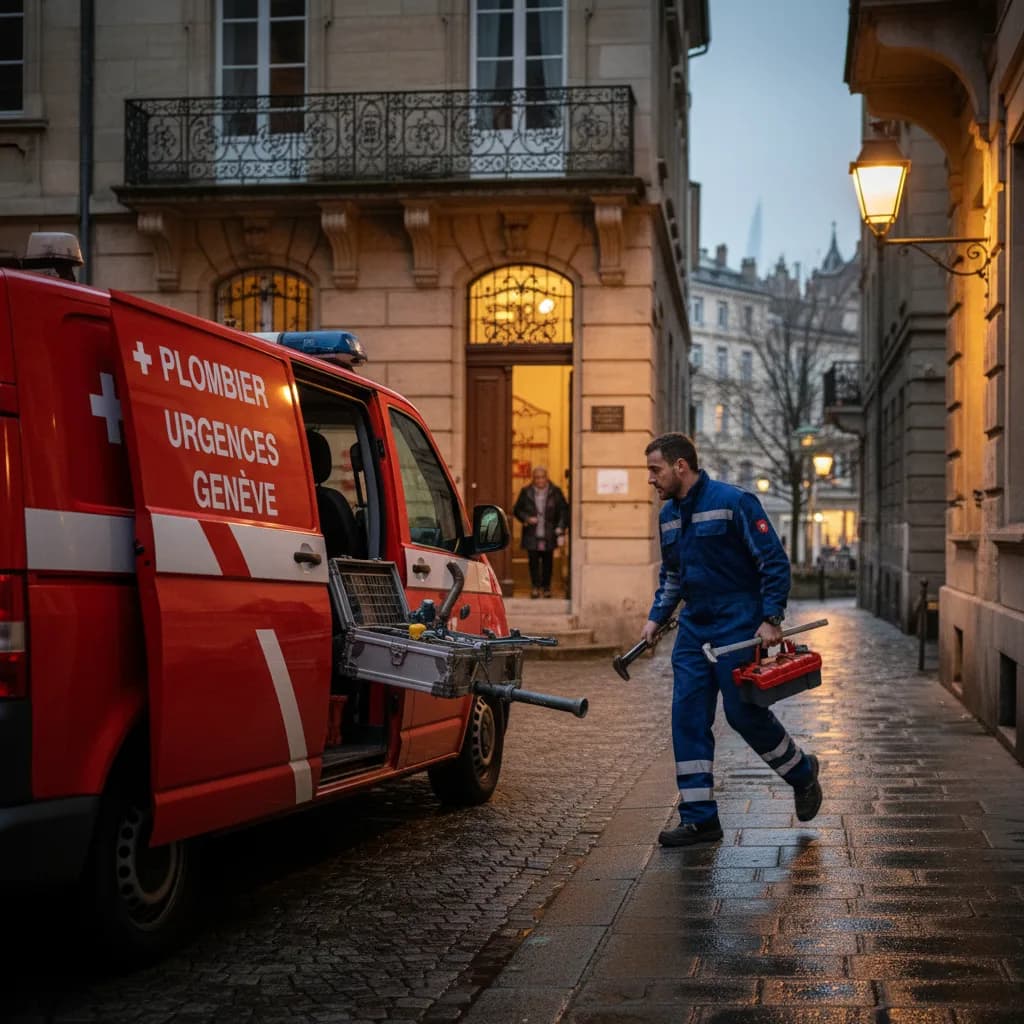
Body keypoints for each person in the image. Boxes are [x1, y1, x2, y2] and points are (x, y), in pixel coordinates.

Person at [641, 432, 822, 847]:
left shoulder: (734, 502)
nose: (651, 479)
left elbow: (773, 560)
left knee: (744, 715)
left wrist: (771, 617)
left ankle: (803, 774)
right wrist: (655, 619)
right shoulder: (668, 516)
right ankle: (700, 819)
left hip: (738, 624)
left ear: (680, 466)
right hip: (694, 628)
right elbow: (671, 576)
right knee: (686, 718)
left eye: (655, 469)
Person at [513, 466, 569, 598]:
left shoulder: (555, 492)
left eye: (542, 477)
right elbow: (517, 510)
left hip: (548, 533)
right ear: (533, 479)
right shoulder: (526, 491)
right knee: (533, 562)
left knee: (547, 563)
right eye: (537, 478)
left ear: (546, 477)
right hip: (532, 534)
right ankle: (535, 588)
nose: (539, 480)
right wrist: (526, 518)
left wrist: (560, 526)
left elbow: (563, 511)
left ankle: (546, 588)